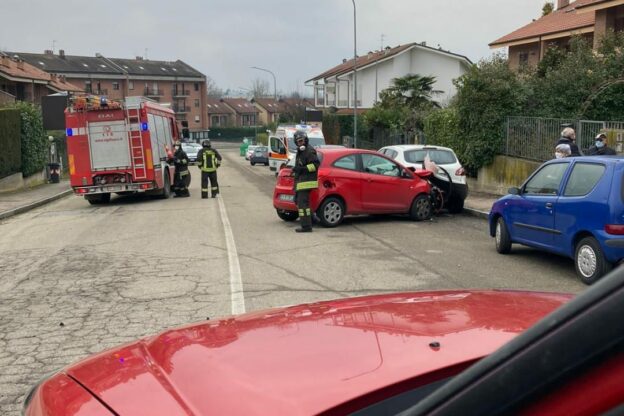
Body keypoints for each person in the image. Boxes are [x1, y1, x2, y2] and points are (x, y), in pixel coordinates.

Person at [291, 130, 320, 233]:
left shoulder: (309, 151)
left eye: (302, 141)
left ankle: (306, 226)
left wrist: (302, 169)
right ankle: (313, 219)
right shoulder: (301, 151)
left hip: (306, 182)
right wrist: (295, 169)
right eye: (298, 141)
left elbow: (315, 165)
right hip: (301, 181)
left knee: (303, 205)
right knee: (299, 202)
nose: (300, 143)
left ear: (305, 140)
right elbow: (301, 165)